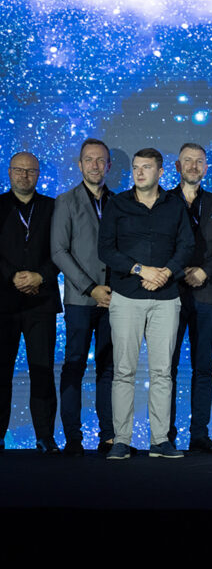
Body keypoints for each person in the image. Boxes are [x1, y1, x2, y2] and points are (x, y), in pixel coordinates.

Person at [98, 148, 194, 460]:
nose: (139, 172)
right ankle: (121, 440)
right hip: (127, 296)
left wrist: (165, 273)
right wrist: (141, 270)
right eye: (136, 167)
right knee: (123, 371)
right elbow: (105, 249)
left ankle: (160, 440)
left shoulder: (175, 204)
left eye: (146, 167)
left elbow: (187, 246)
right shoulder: (117, 204)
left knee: (162, 372)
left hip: (166, 298)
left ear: (160, 171)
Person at [168, 143, 212, 453]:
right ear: (178, 166)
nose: (193, 166)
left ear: (206, 168)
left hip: (207, 292)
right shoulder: (162, 201)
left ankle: (199, 435)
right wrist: (180, 272)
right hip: (170, 293)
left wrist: (205, 271)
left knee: (204, 367)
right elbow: (156, 245)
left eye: (199, 162)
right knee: (165, 368)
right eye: (188, 161)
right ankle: (165, 435)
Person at [51, 138, 115, 456]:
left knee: (109, 369)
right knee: (74, 366)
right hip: (80, 299)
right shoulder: (66, 201)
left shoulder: (119, 202)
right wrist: (91, 288)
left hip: (113, 300)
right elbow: (58, 252)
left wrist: (111, 290)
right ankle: (73, 439)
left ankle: (109, 437)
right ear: (79, 165)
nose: (95, 165)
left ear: (109, 166)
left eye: (101, 160)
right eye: (89, 160)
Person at [0, 152, 62, 453]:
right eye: (19, 170)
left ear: (38, 174)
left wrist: (41, 276)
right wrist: (12, 276)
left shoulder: (53, 207)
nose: (24, 176)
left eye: (31, 171)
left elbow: (62, 250)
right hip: (3, 301)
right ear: (9, 172)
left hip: (42, 300)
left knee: (43, 370)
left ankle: (45, 436)